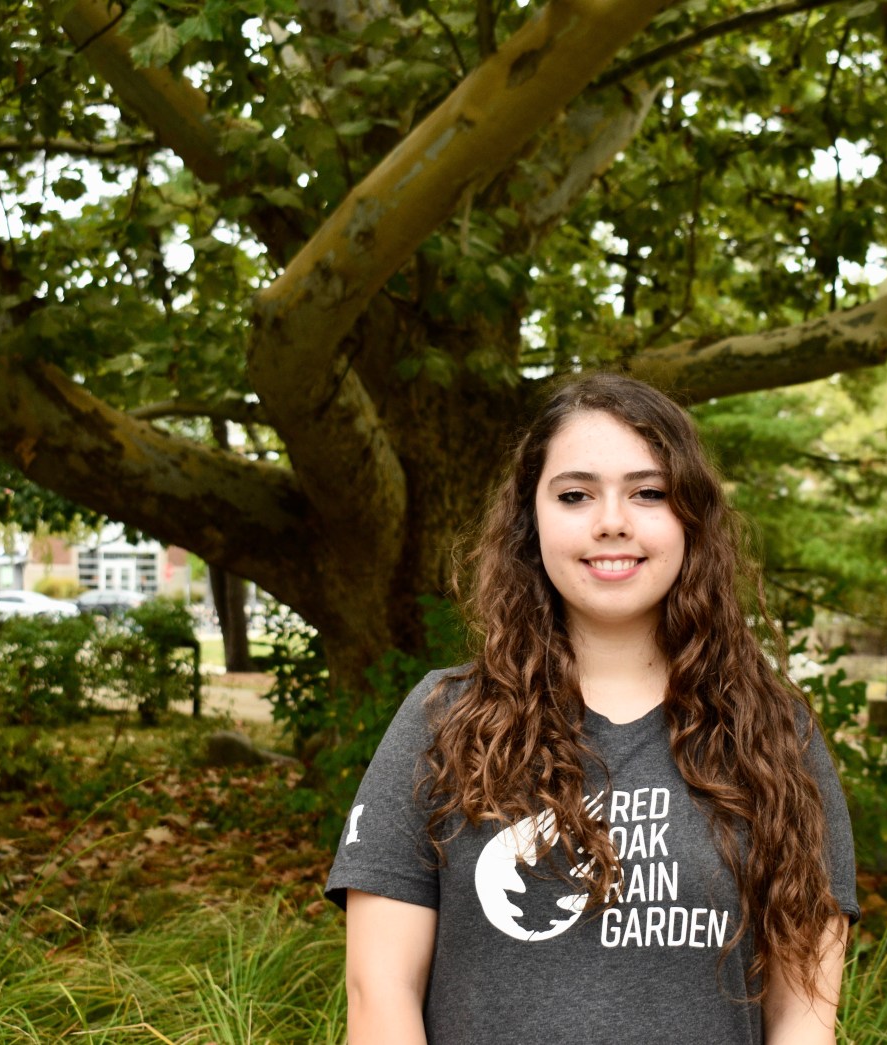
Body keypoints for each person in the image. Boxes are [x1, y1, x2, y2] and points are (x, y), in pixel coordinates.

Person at [325, 373, 858, 1044]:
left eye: (649, 492)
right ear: (531, 518)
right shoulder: (443, 721)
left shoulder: (777, 738)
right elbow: (380, 994)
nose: (612, 520)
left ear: (691, 516)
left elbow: (802, 1018)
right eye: (575, 494)